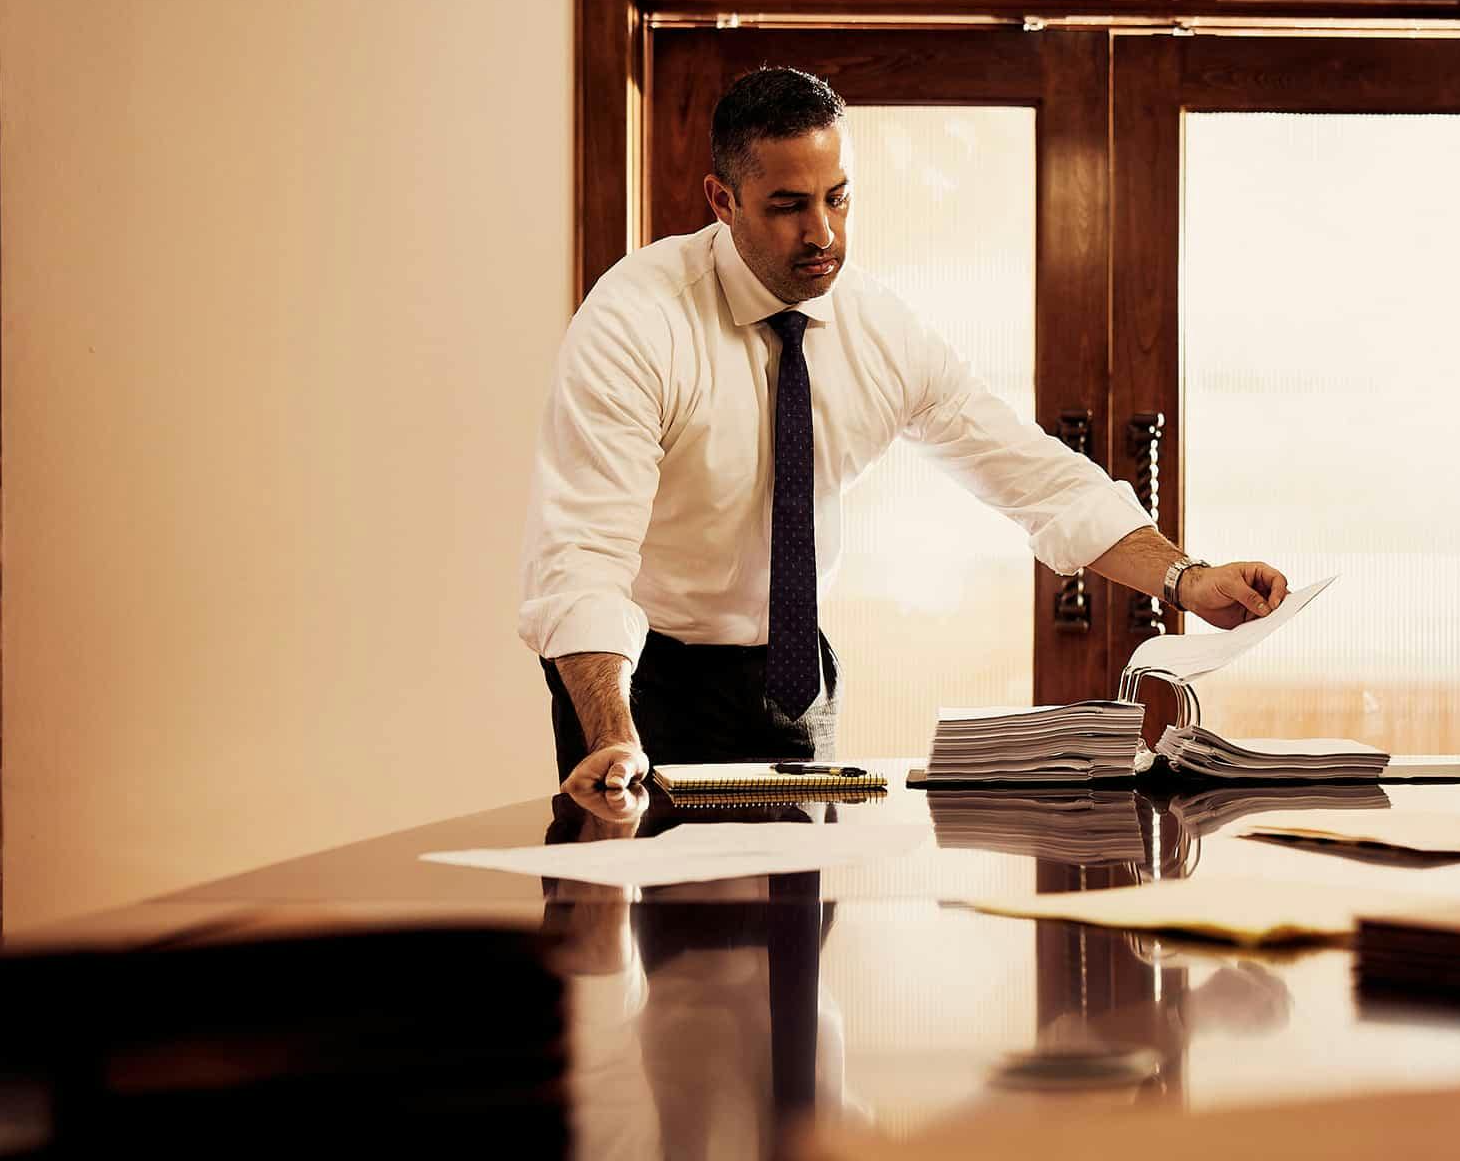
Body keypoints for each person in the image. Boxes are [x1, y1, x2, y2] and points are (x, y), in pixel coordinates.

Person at [520, 66, 1288, 801]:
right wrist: (611, 735)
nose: (822, 232)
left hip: (795, 678)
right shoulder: (636, 321)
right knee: (636, 889)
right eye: (788, 205)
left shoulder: (878, 328)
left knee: (794, 891)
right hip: (642, 677)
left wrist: (1186, 578)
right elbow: (583, 557)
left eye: (838, 198)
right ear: (723, 200)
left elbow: (1031, 475)